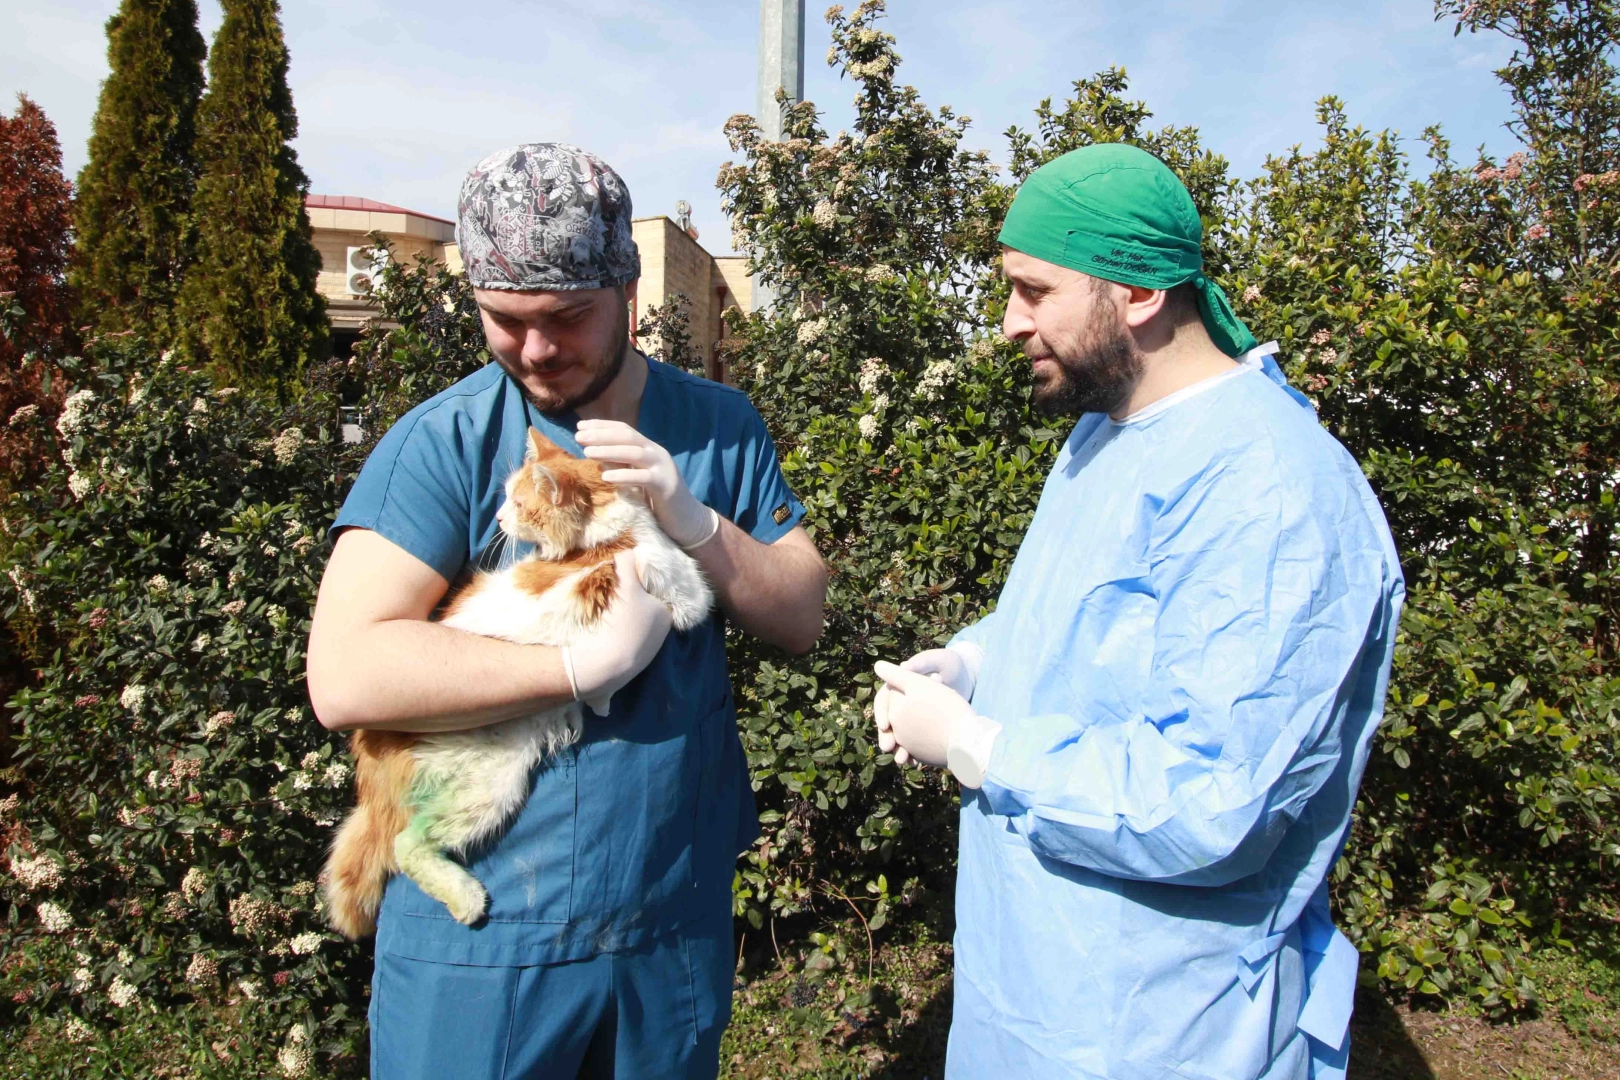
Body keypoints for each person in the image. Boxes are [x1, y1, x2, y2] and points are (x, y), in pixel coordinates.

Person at [872, 143, 1404, 1080]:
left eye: (1034, 292)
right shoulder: (1103, 432)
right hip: (1038, 985)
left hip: (1160, 1023)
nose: (1006, 324)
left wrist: (979, 747)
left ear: (1140, 295)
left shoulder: (1268, 488)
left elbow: (1215, 800)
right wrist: (966, 664)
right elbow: (1079, 620)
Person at [306, 143, 827, 1079]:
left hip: (666, 918)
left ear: (627, 289)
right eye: (504, 321)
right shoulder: (446, 443)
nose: (537, 350)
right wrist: (576, 670)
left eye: (567, 318)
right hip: (487, 938)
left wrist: (700, 523)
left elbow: (800, 615)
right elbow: (346, 673)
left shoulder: (718, 427)